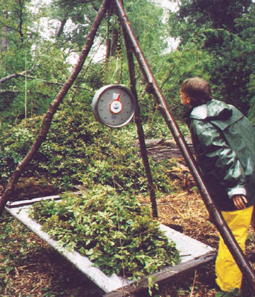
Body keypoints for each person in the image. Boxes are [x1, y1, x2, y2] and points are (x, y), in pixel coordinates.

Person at [180, 77, 255, 293]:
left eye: (182, 92)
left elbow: (219, 153)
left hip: (239, 188)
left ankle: (229, 287)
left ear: (189, 97)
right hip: (253, 176)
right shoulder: (227, 109)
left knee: (234, 237)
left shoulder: (200, 121)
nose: (180, 96)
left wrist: (235, 187)